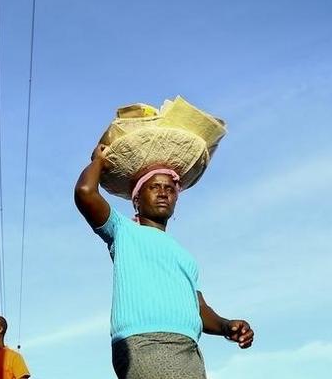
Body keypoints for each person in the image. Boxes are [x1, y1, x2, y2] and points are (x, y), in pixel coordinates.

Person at [74, 144, 254, 379]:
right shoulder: (123, 231)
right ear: (136, 200)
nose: (163, 193)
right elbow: (85, 192)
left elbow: (199, 308)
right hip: (147, 342)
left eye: (170, 189)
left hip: (188, 348)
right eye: (154, 187)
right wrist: (98, 160)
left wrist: (225, 325)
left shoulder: (184, 256)